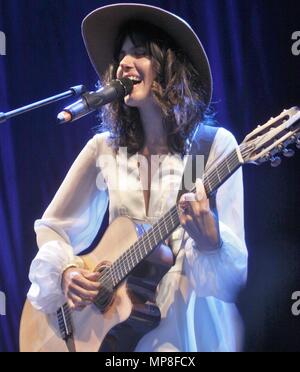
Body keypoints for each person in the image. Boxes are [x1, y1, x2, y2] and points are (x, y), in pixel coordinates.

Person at [27, 4, 248, 352]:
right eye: (121, 55)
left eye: (140, 53)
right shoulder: (105, 149)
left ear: (170, 65)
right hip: (116, 334)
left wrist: (211, 241)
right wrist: (67, 273)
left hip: (184, 330)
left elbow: (233, 278)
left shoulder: (207, 148)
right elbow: (53, 227)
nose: (124, 64)